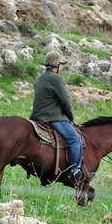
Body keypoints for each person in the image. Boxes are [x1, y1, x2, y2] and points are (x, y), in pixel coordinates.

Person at [30, 51, 84, 184]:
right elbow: (65, 100)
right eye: (61, 64)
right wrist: (70, 117)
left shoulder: (40, 78)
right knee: (74, 139)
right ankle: (76, 170)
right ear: (57, 65)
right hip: (53, 117)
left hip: (36, 116)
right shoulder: (56, 78)